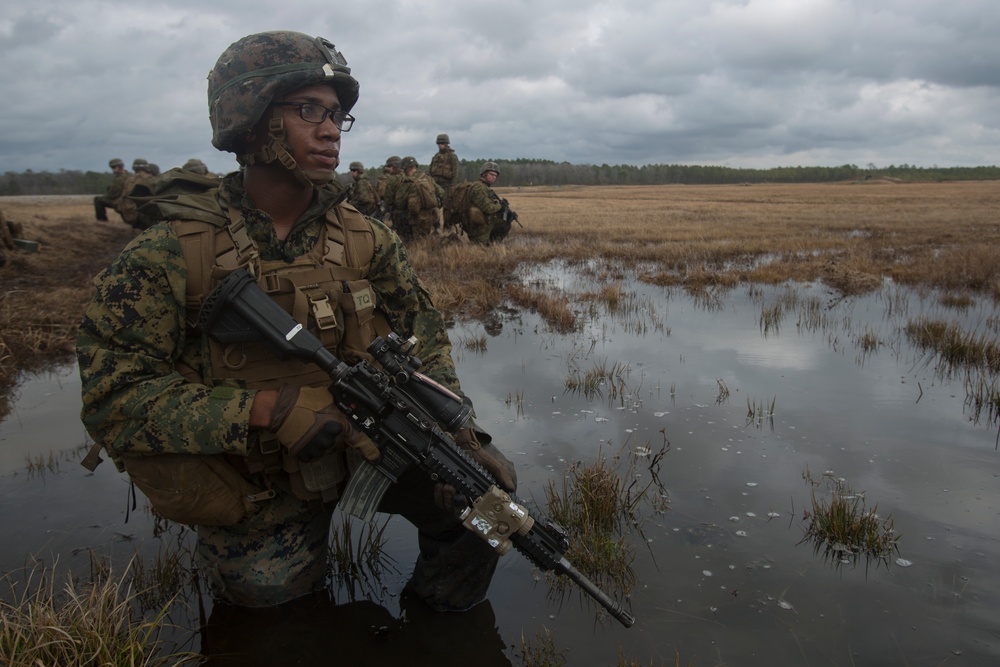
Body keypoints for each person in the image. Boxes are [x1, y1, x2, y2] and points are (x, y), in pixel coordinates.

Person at [76, 30, 516, 613]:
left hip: (369, 445)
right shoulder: (171, 253)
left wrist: (460, 435)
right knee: (273, 605)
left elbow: (424, 339)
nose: (331, 128)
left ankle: (438, 628)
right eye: (309, 110)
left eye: (336, 115)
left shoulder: (367, 237)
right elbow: (114, 398)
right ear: (250, 119)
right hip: (257, 481)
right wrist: (266, 410)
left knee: (484, 508)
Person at [390, 156, 444, 241]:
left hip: (415, 219)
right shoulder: (427, 178)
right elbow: (441, 193)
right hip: (430, 217)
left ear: (407, 169)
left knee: (415, 244)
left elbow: (399, 202)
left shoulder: (408, 181)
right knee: (426, 241)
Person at [464, 161, 505, 245]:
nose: (494, 177)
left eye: (495, 176)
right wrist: (500, 206)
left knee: (504, 222)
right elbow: (488, 208)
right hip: (477, 226)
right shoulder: (479, 188)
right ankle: (486, 243)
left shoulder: (484, 187)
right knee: (480, 247)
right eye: (491, 174)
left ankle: (491, 243)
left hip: (480, 222)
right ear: (484, 174)